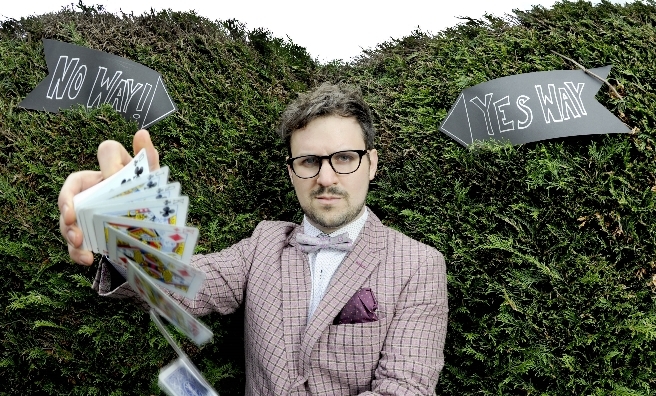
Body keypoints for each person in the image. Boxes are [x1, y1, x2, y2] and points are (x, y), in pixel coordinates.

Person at [58, 83, 448, 395]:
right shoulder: (264, 243)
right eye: (309, 161)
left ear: (372, 163)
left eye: (344, 158)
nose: (326, 179)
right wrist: (120, 227)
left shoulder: (419, 264)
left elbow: (404, 388)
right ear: (292, 171)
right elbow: (181, 285)